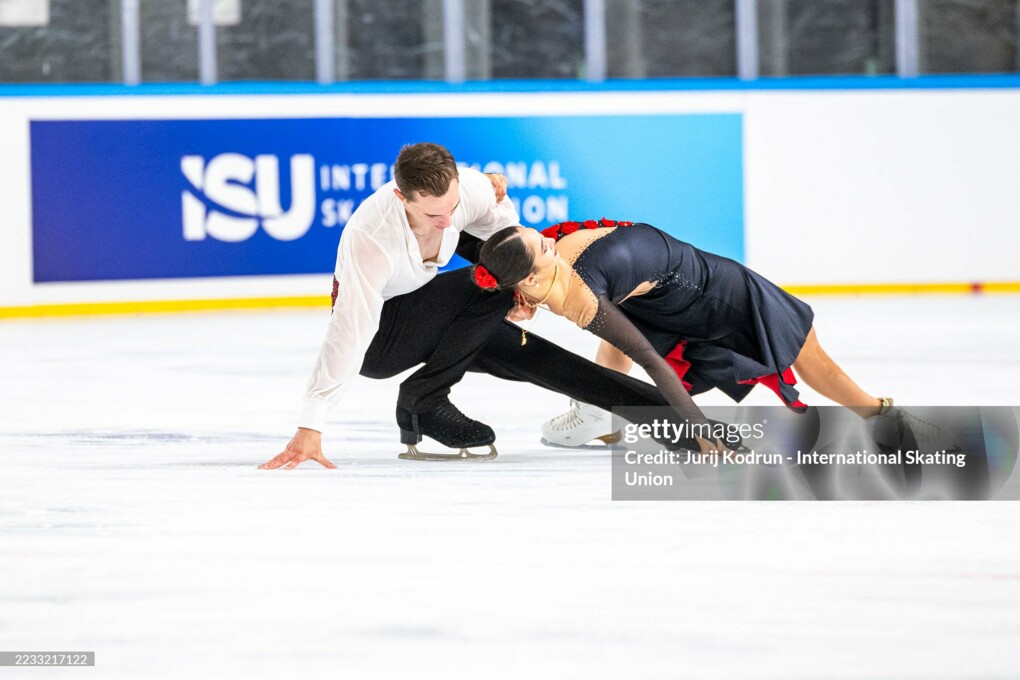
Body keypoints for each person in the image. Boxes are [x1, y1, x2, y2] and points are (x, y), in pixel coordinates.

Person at [260, 146, 673, 469]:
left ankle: (680, 422)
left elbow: (509, 236)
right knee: (493, 282)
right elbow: (351, 330)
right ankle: (424, 400)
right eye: (432, 214)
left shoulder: (470, 189)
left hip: (443, 320)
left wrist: (525, 292)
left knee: (539, 356)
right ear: (401, 196)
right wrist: (311, 422)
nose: (446, 220)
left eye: (452, 208)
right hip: (382, 341)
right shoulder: (371, 239)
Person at [471, 219, 917, 453]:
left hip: (725, 296)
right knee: (616, 335)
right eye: (542, 245)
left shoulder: (581, 292)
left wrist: (700, 430)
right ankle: (601, 419)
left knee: (809, 360)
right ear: (528, 278)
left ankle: (878, 413)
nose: (549, 240)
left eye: (544, 240)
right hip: (662, 296)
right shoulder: (549, 276)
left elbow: (650, 360)